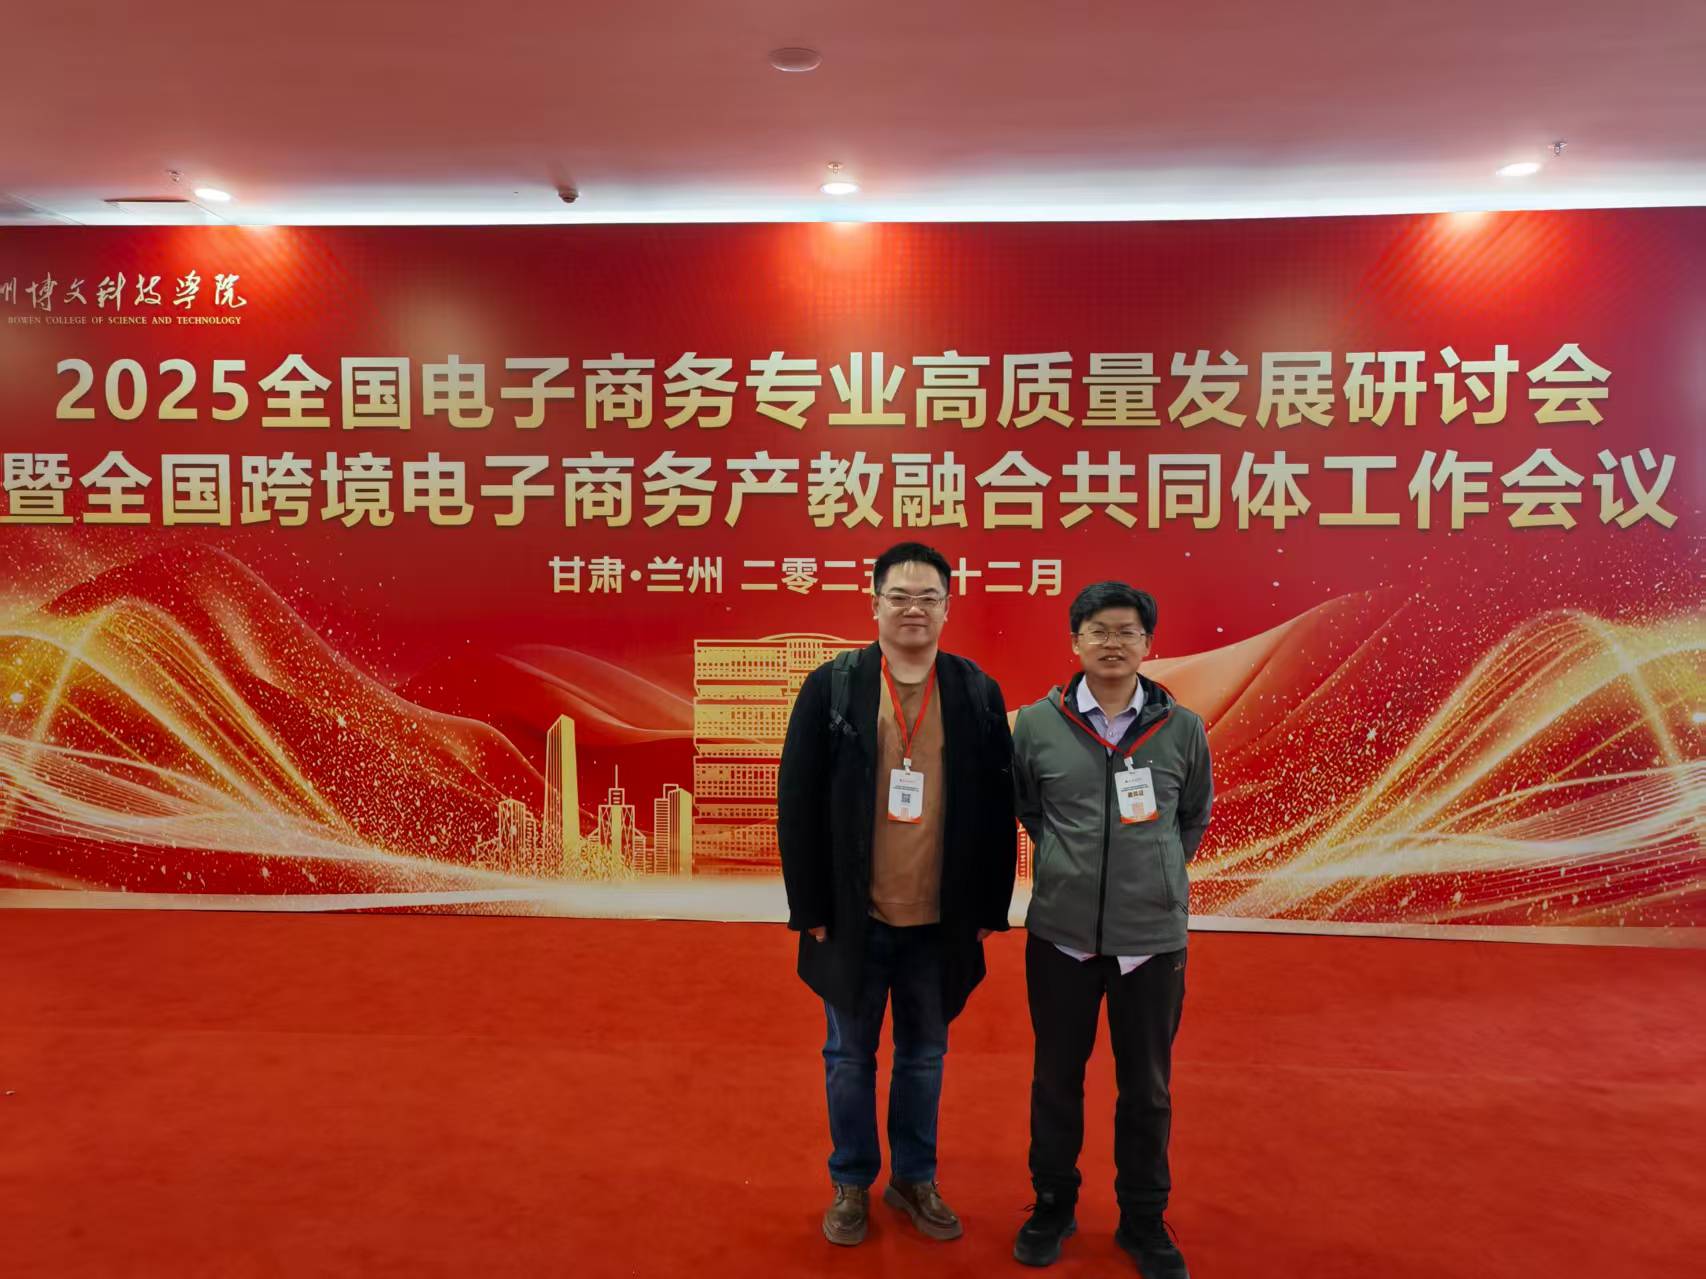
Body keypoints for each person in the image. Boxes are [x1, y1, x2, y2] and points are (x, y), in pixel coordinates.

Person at [777, 541, 1017, 1247]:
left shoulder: (975, 690)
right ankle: (851, 1181)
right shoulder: (834, 684)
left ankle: (914, 1177)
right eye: (900, 596)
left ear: (947, 607)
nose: (914, 608)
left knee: (924, 1056)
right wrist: (810, 907)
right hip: (853, 916)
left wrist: (988, 908)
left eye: (928, 597)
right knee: (849, 1058)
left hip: (940, 919)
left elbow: (997, 804)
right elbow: (797, 800)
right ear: (875, 603)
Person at [1010, 582, 1214, 1276]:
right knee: (1055, 1080)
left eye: (1127, 631)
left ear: (1148, 643)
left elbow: (1192, 816)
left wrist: (1154, 875)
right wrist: (1066, 866)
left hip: (1150, 943)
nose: (1112, 643)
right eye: (1098, 630)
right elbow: (1029, 809)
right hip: (1060, 936)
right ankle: (1052, 1204)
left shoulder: (1182, 728)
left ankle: (1143, 1219)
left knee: (1147, 1088)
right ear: (1075, 641)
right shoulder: (1037, 725)